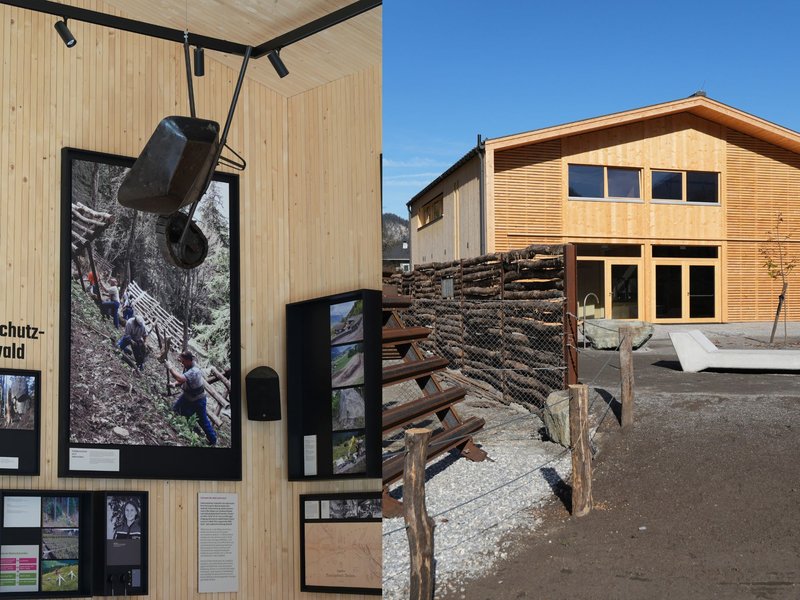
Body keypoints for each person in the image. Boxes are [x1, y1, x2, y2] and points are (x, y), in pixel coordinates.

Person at [167, 351, 217, 446]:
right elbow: (183, 381)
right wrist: (174, 384)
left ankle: (213, 440)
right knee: (176, 409)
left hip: (198, 400)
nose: (182, 363)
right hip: (187, 396)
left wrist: (170, 368)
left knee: (202, 420)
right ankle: (191, 428)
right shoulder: (188, 367)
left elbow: (181, 378)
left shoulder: (194, 371)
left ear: (189, 360)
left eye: (183, 361)